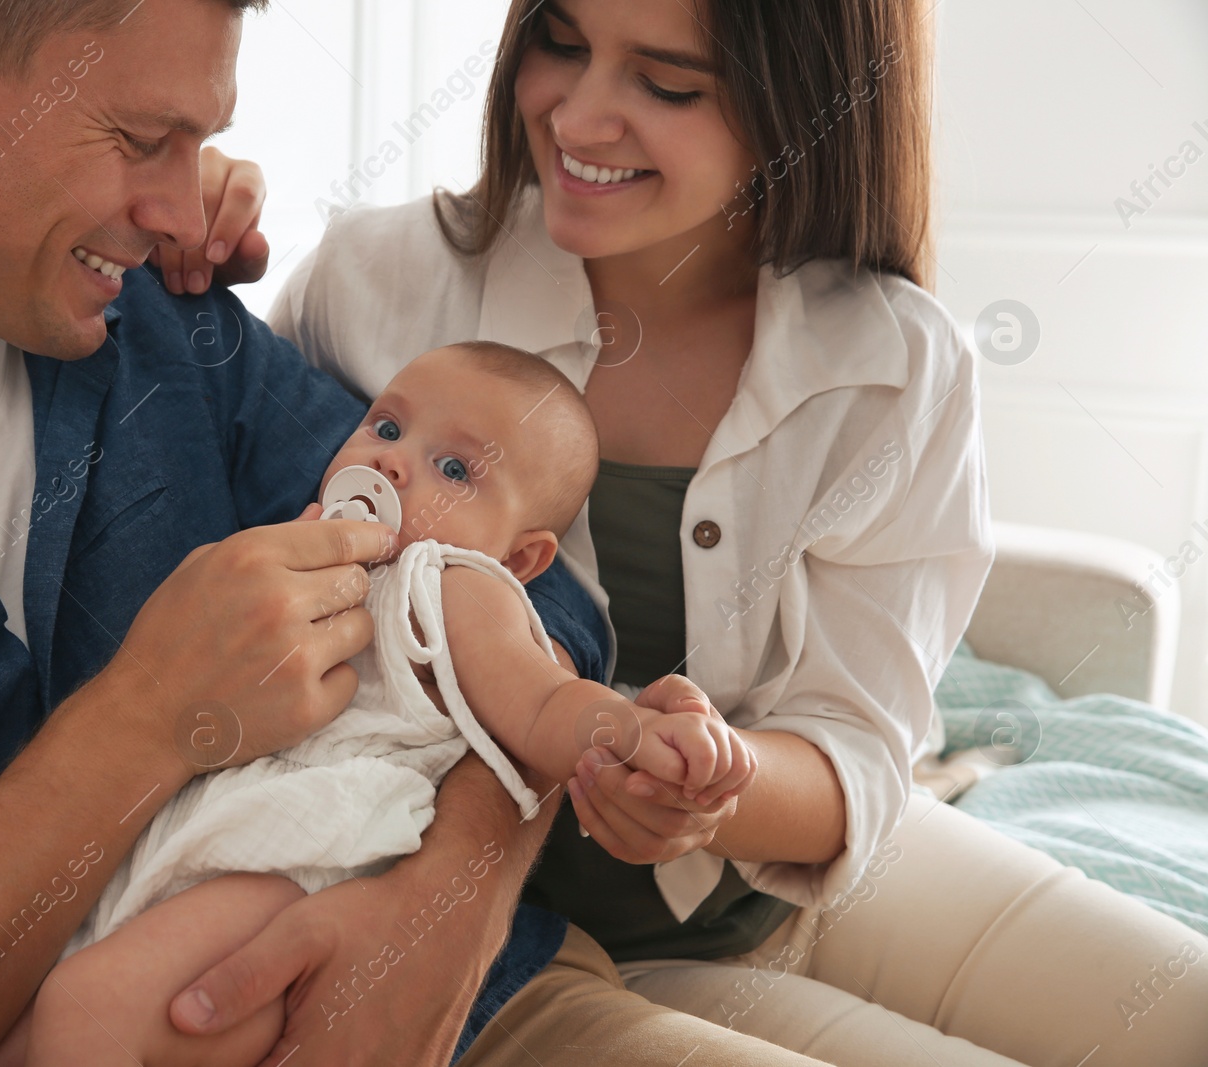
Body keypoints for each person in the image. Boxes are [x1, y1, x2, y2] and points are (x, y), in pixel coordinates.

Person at [0, 3, 672, 1066]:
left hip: (486, 1005)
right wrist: (145, 721)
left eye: (198, 142)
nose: (180, 206)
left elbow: (528, 587)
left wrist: (449, 900)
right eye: (138, 138)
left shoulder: (164, 319)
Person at [159, 0, 1208, 1064]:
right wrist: (175, 216)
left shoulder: (895, 360)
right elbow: (251, 545)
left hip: (799, 891)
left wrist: (703, 786)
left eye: (665, 84)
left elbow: (853, 745)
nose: (577, 115)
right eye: (561, 43)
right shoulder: (378, 281)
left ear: (796, 107)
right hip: (531, 944)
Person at [0, 341, 760, 1065]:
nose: (390, 460)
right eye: (386, 426)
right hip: (201, 845)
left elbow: (542, 707)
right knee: (13, 1039)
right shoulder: (306, 538)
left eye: (453, 467)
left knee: (84, 1007)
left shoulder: (451, 580)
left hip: (302, 864)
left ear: (520, 558)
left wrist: (637, 732)